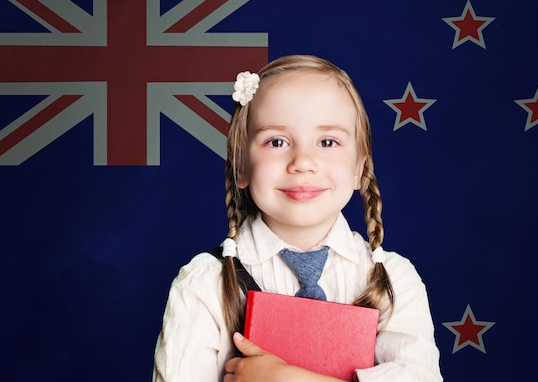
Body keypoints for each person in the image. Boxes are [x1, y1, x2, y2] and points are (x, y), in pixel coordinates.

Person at [153, 55, 443, 382]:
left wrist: (286, 379)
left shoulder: (394, 281)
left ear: (360, 168)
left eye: (327, 142)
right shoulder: (205, 284)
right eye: (277, 141)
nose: (303, 162)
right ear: (241, 166)